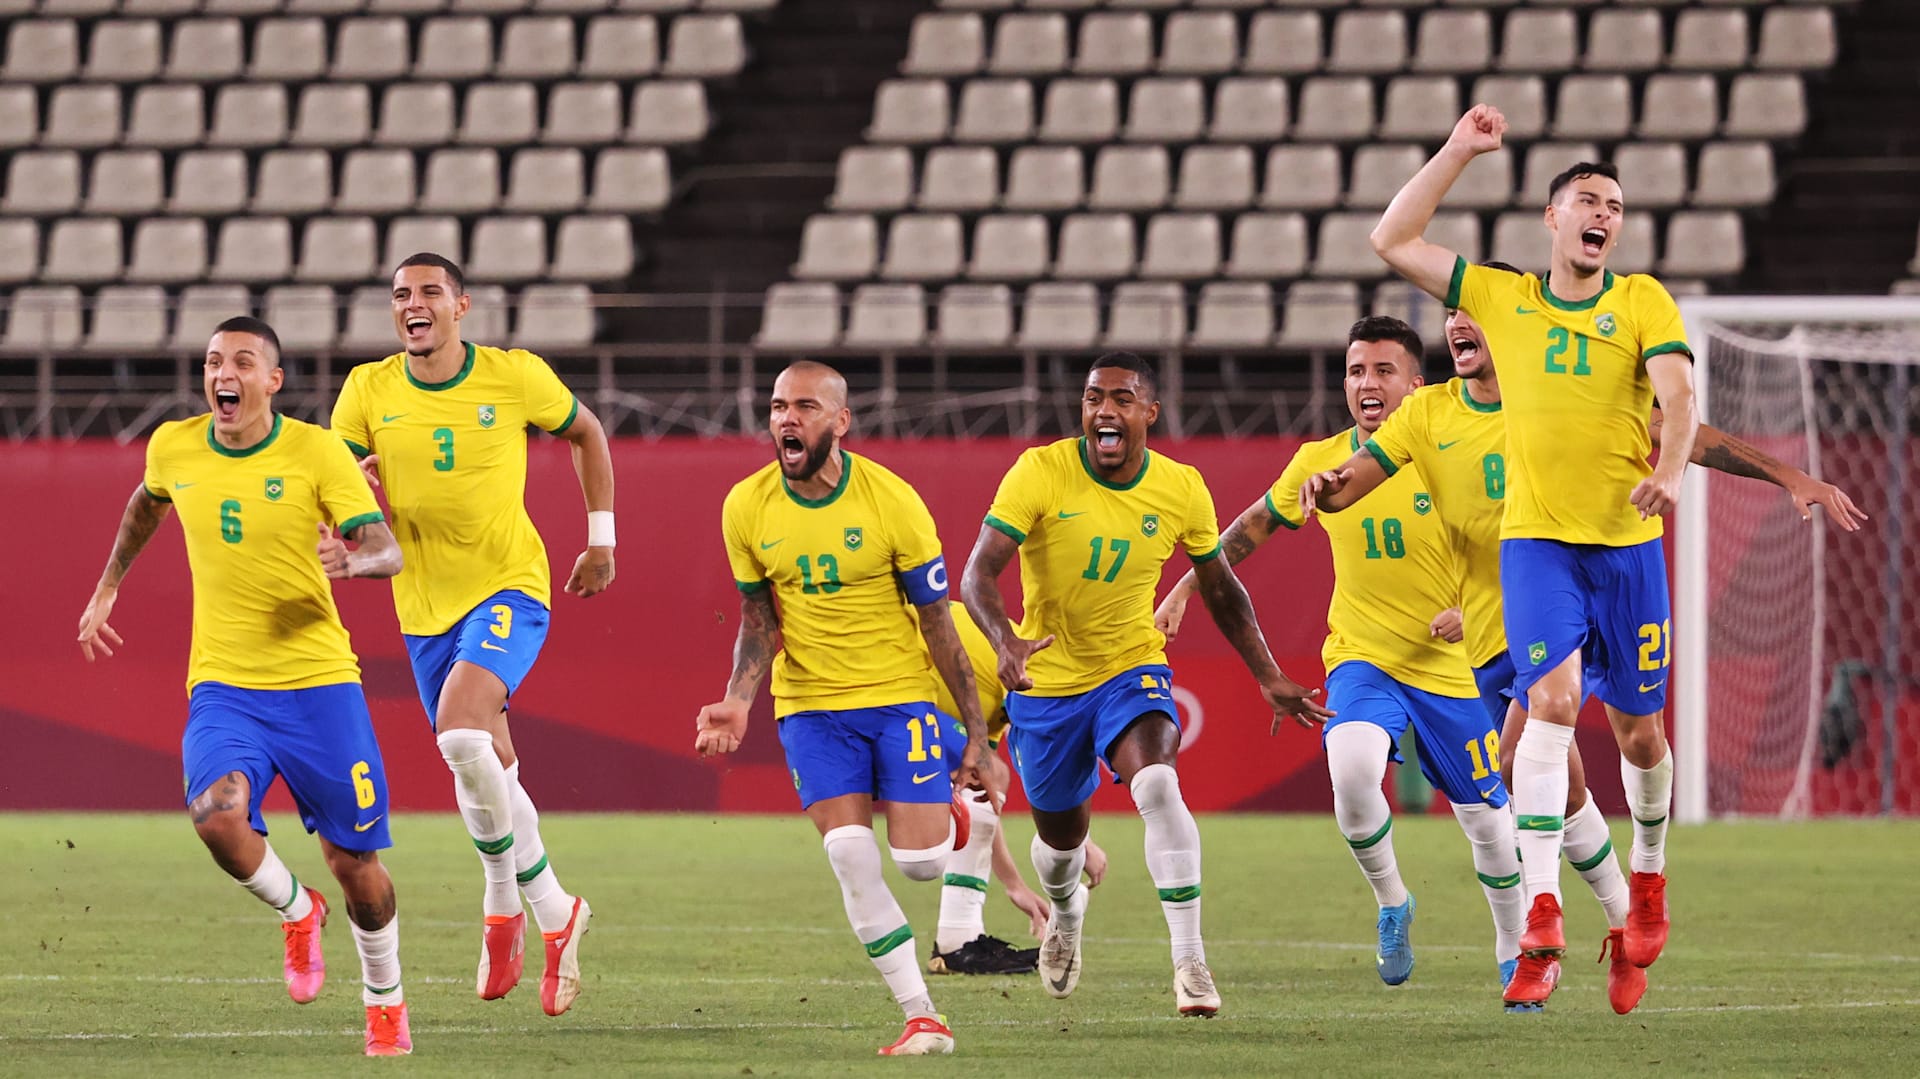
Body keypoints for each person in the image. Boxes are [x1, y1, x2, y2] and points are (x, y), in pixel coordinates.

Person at [1304, 289, 1869, 1013]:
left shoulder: (1564, 398)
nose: (1459, 321)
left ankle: (1548, 935)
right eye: (1452, 313)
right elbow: (1353, 483)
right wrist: (1328, 488)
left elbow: (1684, 435)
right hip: (1489, 635)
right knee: (1566, 793)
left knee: (1546, 754)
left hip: (1575, 596)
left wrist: (1788, 473)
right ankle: (1621, 918)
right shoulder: (1428, 413)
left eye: (1474, 308)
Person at [1371, 103, 1704, 1007]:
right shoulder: (1503, 296)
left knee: (1640, 735)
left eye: (1617, 206)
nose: (1604, 214)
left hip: (1629, 550)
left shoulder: (1641, 301)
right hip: (1539, 545)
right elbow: (1393, 236)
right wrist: (1459, 150)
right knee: (1549, 707)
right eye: (1588, 200)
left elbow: (1678, 394)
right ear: (1553, 219)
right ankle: (1544, 913)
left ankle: (1647, 880)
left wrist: (1670, 472)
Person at [75, 317, 414, 1056]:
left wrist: (352, 562)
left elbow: (383, 545)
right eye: (212, 361)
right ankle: (297, 911)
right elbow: (146, 503)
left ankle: (385, 997)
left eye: (242, 362)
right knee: (216, 815)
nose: (223, 373)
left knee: (355, 864)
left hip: (321, 684)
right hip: (225, 684)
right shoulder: (175, 445)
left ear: (272, 380)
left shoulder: (316, 450)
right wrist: (108, 587)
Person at [1158, 317, 1525, 996]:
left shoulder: (1453, 448)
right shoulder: (1320, 461)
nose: (1367, 383)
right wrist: (1184, 585)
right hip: (1364, 656)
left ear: (1418, 386)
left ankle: (1513, 947)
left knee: (1492, 827)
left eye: (1384, 370)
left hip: (1454, 664)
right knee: (1350, 767)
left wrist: (1479, 607)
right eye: (1356, 371)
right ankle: (1392, 902)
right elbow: (1248, 529)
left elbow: (1522, 541)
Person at [961, 352, 1331, 1018]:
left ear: (1149, 413)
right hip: (1047, 684)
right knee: (1060, 848)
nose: (1104, 410)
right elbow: (977, 574)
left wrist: (1267, 671)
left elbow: (1220, 586)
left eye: (1122, 398)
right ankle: (1068, 913)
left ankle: (1190, 960)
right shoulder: (1040, 471)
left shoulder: (1181, 487)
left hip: (1131, 667)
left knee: (1158, 783)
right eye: (1093, 397)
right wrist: (1004, 640)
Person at [329, 253, 616, 1016]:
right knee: (489, 767)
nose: (412, 304)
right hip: (423, 609)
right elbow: (336, 478)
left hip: (509, 586)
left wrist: (602, 539)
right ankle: (556, 912)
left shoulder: (514, 375)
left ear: (462, 306)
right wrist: (347, 491)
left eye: (428, 292)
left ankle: (504, 903)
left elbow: (586, 432)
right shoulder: (367, 388)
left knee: (461, 735)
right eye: (399, 294)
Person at [694, 361, 995, 1056]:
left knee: (920, 864)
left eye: (804, 406)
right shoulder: (746, 504)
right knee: (851, 856)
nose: (786, 419)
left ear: (840, 420)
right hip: (810, 709)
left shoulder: (893, 501)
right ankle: (922, 1014)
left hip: (898, 700)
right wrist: (741, 698)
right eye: (776, 407)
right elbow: (757, 613)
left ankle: (961, 814)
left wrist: (975, 736)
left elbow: (939, 625)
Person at [927, 603, 1110, 976]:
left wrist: (1014, 884)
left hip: (876, 684)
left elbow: (982, 797)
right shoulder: (1032, 675)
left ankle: (957, 938)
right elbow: (1044, 766)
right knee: (988, 772)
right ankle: (957, 938)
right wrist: (1079, 840)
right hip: (878, 687)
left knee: (986, 774)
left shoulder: (1004, 665)